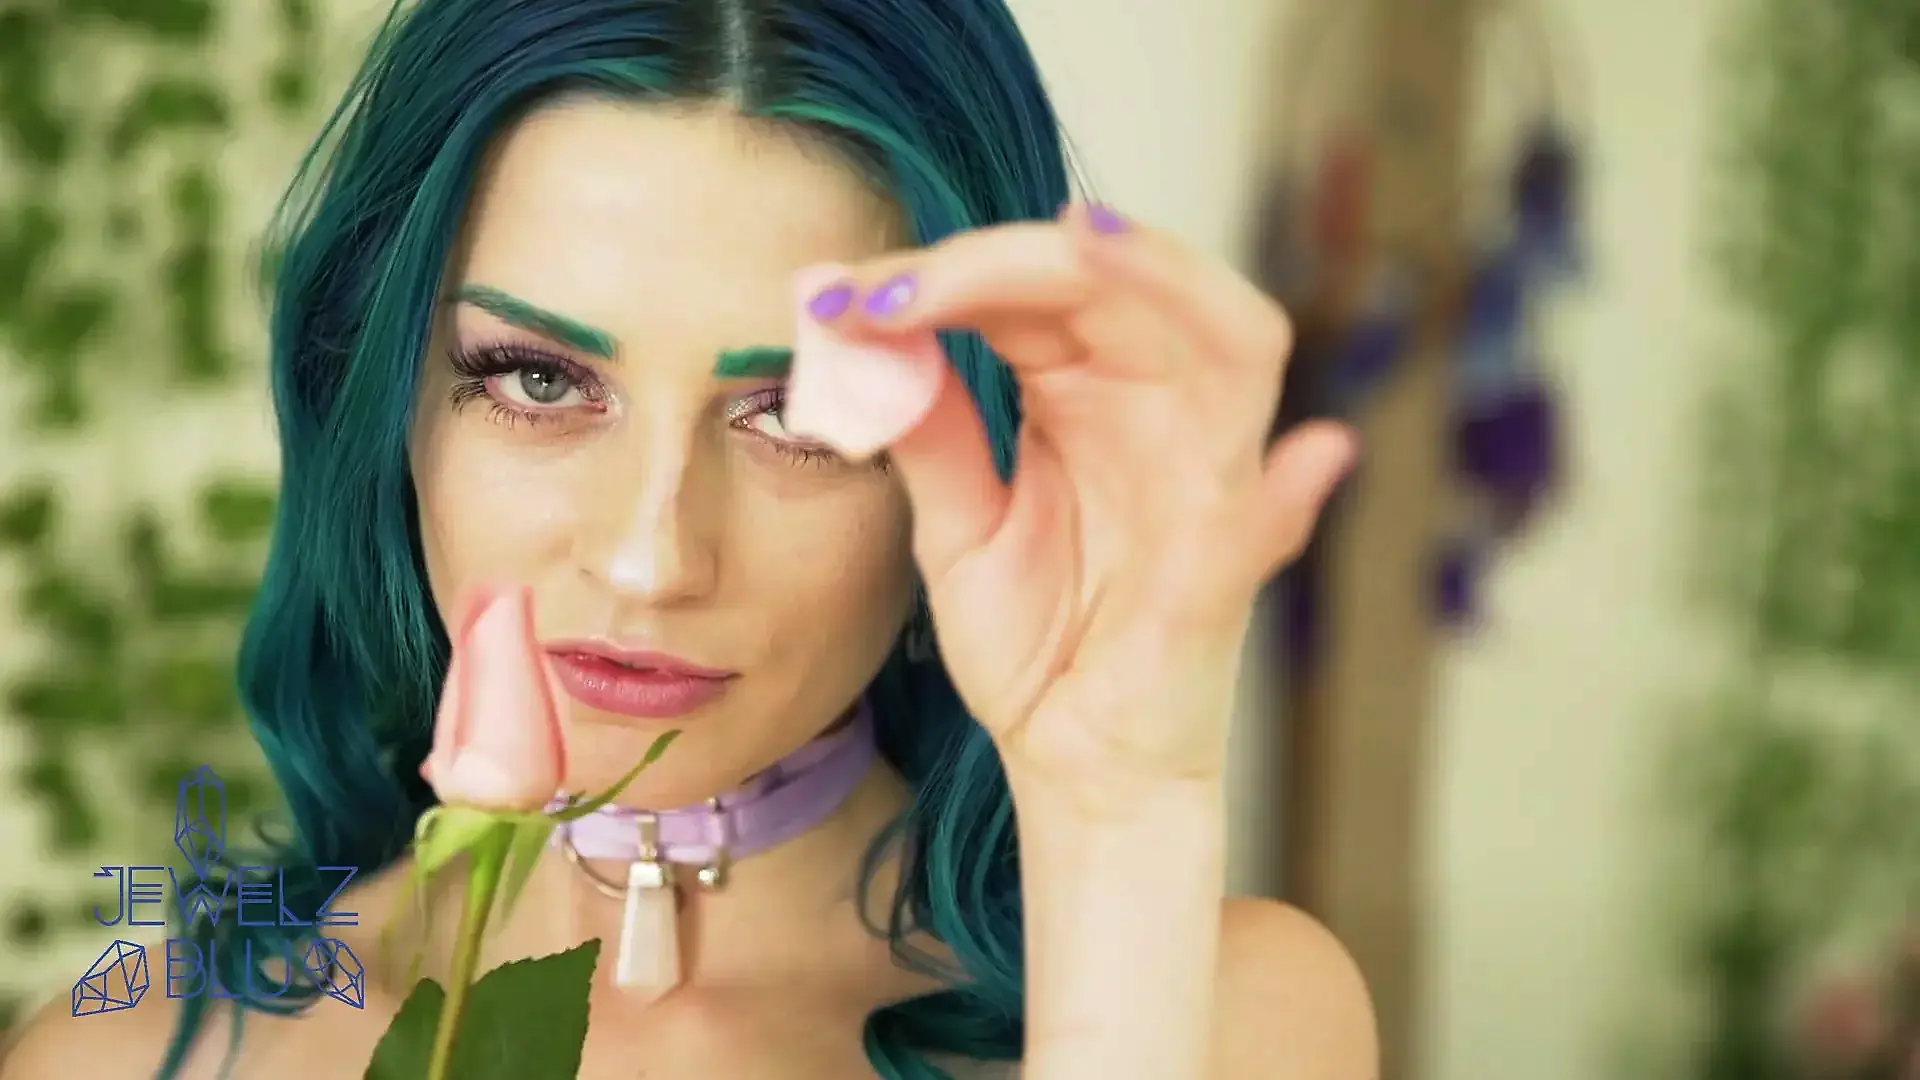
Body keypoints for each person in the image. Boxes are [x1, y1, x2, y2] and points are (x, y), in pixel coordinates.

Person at [2, 0, 1373, 1076]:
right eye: (539, 380)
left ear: (965, 448)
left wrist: (1118, 824)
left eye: (799, 416)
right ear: (385, 399)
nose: (652, 560)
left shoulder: (1218, 1018)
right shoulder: (129, 1056)